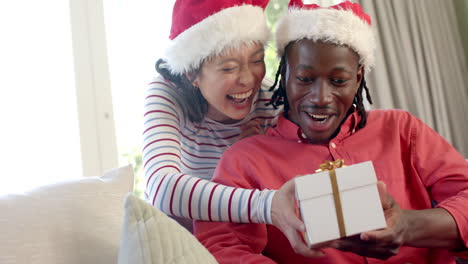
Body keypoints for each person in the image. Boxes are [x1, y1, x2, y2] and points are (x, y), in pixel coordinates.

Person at [194, 1, 468, 263]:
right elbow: (221, 250)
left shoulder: (401, 130)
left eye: (338, 81)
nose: (321, 97)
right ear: (284, 73)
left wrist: (408, 226)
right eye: (305, 79)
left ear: (358, 78)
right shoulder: (243, 160)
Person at [143, 0, 309, 249]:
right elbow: (162, 188)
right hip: (180, 242)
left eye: (257, 60)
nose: (247, 80)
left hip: (241, 243)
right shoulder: (168, 94)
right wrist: (234, 165)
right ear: (192, 73)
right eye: (229, 67)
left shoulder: (270, 107)